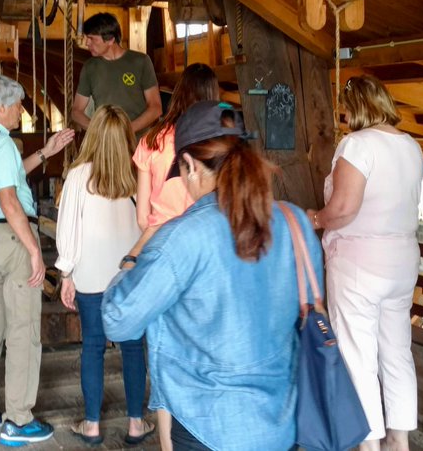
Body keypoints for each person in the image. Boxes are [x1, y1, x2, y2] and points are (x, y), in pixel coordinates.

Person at [103, 101, 324, 451]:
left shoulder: (180, 239)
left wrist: (131, 260)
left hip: (207, 425)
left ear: (190, 165)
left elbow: (118, 321)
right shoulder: (293, 221)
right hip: (283, 422)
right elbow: (307, 309)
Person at [306, 75, 423, 451]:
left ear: (355, 106)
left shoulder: (358, 144)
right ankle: (399, 440)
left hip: (360, 263)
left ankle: (368, 442)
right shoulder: (410, 145)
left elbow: (343, 208)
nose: (341, 116)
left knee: (358, 356)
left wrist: (315, 218)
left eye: (343, 109)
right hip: (402, 260)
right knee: (396, 351)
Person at [0, 73, 74, 447]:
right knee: (23, 329)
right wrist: (34, 249)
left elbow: (4, 181)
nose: (20, 111)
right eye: (18, 104)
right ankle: (19, 420)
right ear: (2, 106)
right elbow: (8, 200)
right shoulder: (2, 142)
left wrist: (45, 153)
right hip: (12, 239)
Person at [126, 62, 219, 451]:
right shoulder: (217, 142)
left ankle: (168, 444)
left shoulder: (151, 141)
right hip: (210, 253)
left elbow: (141, 215)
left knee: (164, 351)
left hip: (162, 252)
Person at [55, 106, 153, 447]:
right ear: (127, 136)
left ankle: (92, 425)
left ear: (93, 135)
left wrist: (66, 273)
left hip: (91, 277)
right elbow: (150, 224)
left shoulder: (78, 175)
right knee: (133, 348)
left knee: (93, 347)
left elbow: (69, 227)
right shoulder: (137, 173)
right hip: (129, 278)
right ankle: (136, 423)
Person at [71, 12, 162, 133]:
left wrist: (127, 131)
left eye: (92, 38)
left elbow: (156, 108)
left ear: (110, 40)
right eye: (87, 37)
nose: (87, 43)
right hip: (106, 141)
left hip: (139, 140)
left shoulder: (141, 62)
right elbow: (76, 111)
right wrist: (98, 132)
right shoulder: (90, 67)